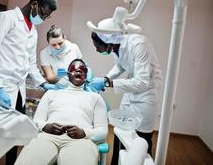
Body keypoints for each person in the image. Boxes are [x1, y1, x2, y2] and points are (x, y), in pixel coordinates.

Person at [0, 0, 62, 165]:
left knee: (14, 137)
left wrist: (43, 84)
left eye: (47, 17)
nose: (44, 19)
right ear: (34, 5)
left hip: (18, 92)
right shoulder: (6, 18)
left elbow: (30, 64)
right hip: (0, 90)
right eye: (43, 14)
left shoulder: (33, 31)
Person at [15, 59, 108, 165]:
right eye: (74, 69)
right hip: (46, 137)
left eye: (82, 70)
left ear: (86, 76)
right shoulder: (51, 94)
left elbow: (102, 131)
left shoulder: (96, 98)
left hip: (81, 140)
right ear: (68, 75)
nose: (78, 72)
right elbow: (36, 122)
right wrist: (46, 127)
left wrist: (84, 133)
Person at [89, 31, 162, 164]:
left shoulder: (138, 44)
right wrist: (106, 78)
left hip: (146, 96)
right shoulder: (116, 48)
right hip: (130, 93)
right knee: (120, 133)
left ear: (108, 42)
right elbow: (120, 65)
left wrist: (107, 83)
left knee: (141, 142)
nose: (97, 50)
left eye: (98, 46)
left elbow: (142, 82)